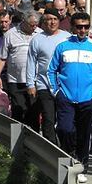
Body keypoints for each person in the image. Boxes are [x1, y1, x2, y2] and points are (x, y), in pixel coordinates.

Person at [47, 12, 92, 184]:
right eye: (79, 27)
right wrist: (56, 91)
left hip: (88, 98)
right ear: (73, 27)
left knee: (84, 133)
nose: (82, 30)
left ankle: (81, 165)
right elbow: (51, 70)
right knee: (65, 129)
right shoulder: (62, 46)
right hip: (65, 97)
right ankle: (69, 159)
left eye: (86, 27)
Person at [26, 8, 71, 143]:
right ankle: (51, 149)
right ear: (44, 22)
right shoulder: (37, 39)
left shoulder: (67, 37)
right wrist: (30, 84)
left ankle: (66, 148)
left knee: (64, 120)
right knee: (48, 118)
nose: (52, 22)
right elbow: (31, 62)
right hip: (44, 85)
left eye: (55, 19)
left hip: (64, 86)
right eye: (48, 20)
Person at [0, 10, 40, 126]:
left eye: (36, 24)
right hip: (15, 80)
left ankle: (32, 141)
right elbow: (2, 57)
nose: (34, 27)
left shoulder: (40, 34)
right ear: (24, 21)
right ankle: (16, 140)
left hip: (34, 80)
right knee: (18, 111)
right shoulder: (10, 34)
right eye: (31, 25)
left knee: (33, 113)